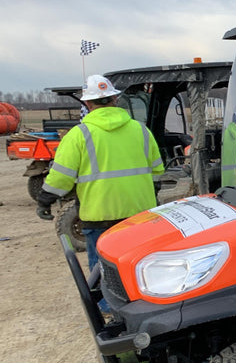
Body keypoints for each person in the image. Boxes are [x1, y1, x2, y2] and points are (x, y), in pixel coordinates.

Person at [36, 74, 165, 273]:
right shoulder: (141, 130)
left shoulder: (79, 135)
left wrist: (45, 200)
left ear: (87, 103)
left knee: (105, 274)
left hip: (99, 217)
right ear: (115, 99)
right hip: (140, 214)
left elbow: (61, 178)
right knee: (141, 270)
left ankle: (107, 305)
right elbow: (157, 171)